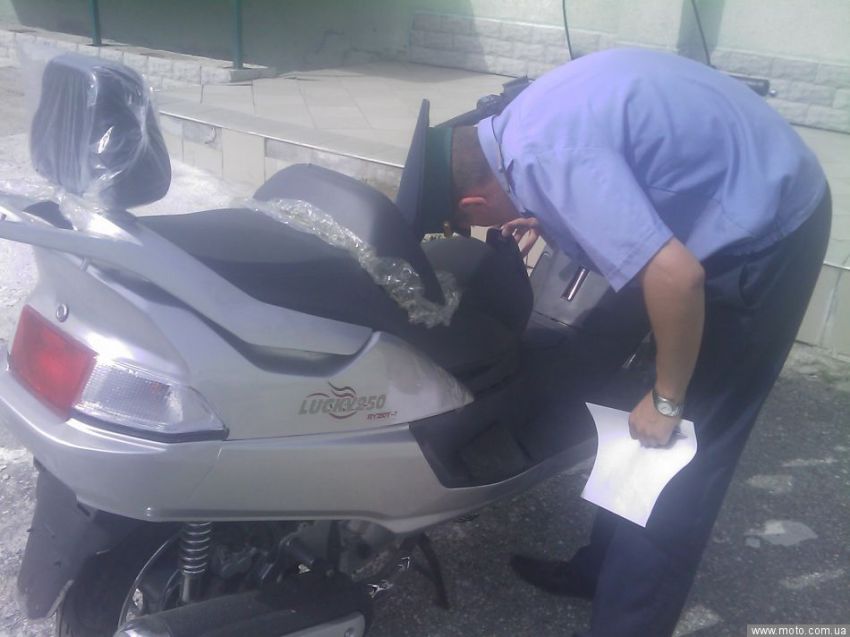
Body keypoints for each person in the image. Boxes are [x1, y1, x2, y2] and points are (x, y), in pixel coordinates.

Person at [419, 48, 831, 636]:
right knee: (634, 417)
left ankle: (628, 622)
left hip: (768, 225)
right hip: (721, 187)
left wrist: (668, 398)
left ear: (473, 202)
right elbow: (601, 169)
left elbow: (678, 277)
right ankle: (602, 570)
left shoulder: (547, 157)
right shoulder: (517, 124)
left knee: (679, 446)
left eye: (473, 222)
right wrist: (550, 212)